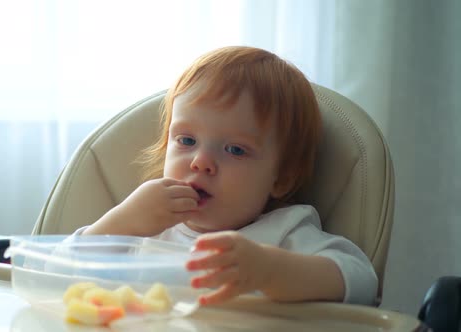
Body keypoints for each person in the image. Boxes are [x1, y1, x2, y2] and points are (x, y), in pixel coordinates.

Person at [75, 46, 377, 306]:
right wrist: (121, 222)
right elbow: (60, 270)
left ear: (281, 177)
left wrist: (270, 271)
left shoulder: (283, 233)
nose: (201, 162)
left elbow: (362, 281)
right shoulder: (145, 227)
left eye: (235, 149)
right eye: (187, 141)